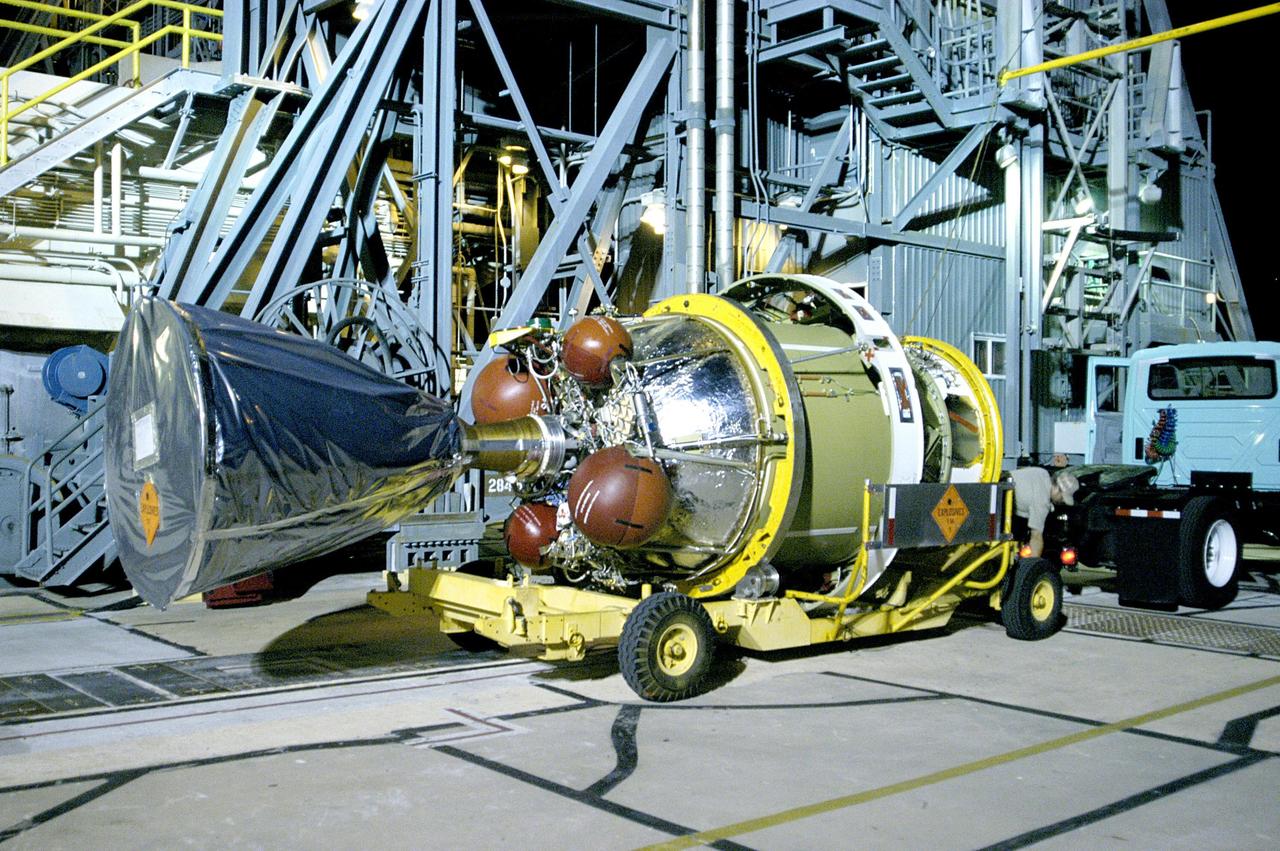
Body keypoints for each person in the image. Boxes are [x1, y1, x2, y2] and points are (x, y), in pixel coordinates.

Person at [1010, 467, 1080, 558]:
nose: (1061, 501)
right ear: (1057, 489)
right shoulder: (1043, 501)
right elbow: (1036, 538)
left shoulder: (1042, 473)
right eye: (1062, 497)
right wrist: (1034, 565)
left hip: (994, 483)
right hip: (1000, 500)